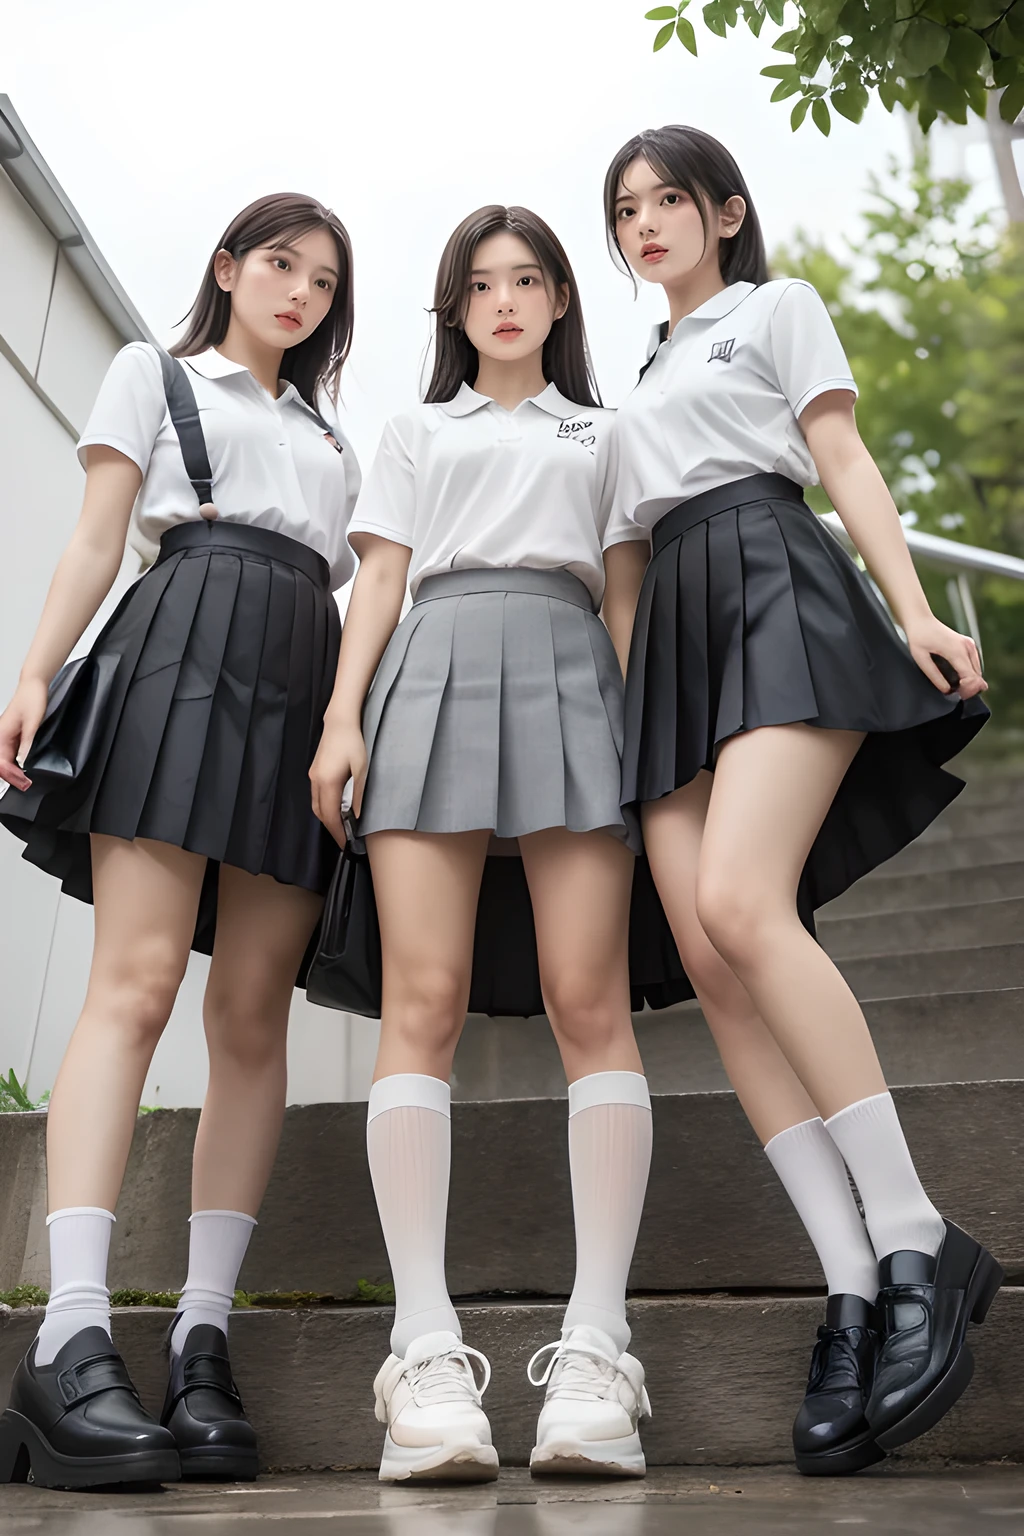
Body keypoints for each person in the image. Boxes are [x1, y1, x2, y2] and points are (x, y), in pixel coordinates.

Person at [603, 124, 1000, 1476]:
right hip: (670, 645)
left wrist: (912, 614)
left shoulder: (776, 309)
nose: (645, 223)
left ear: (723, 212)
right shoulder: (636, 373)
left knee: (740, 901)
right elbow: (621, 563)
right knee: (716, 968)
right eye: (624, 209)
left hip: (774, 585)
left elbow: (843, 459)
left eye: (667, 200)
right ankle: (851, 1286)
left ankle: (916, 1237)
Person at [0, 193, 358, 1489]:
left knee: (253, 1013)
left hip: (296, 683)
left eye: (324, 280)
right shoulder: (152, 372)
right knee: (138, 983)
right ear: (228, 266)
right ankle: (72, 1335)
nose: (301, 292)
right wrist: (37, 672)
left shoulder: (333, 442)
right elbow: (100, 537)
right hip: (179, 658)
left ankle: (202, 1338)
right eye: (280, 263)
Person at [309, 205, 654, 1483]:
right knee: (424, 1001)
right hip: (433, 667)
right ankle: (423, 1355)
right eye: (479, 284)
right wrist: (341, 721)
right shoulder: (414, 429)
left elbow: (624, 592)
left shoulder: (604, 431)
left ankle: (601, 1348)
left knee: (587, 1001)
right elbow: (381, 585)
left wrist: (648, 742)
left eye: (528, 281)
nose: (503, 301)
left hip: (573, 674)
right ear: (452, 308)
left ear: (563, 301)